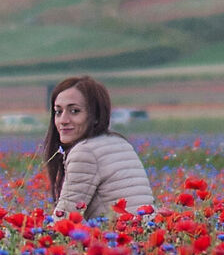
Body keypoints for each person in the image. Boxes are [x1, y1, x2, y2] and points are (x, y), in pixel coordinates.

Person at [40, 75, 153, 217]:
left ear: (96, 116)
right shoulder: (120, 143)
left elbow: (66, 217)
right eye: (58, 112)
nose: (63, 120)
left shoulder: (85, 152)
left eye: (74, 111)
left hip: (116, 236)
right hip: (143, 232)